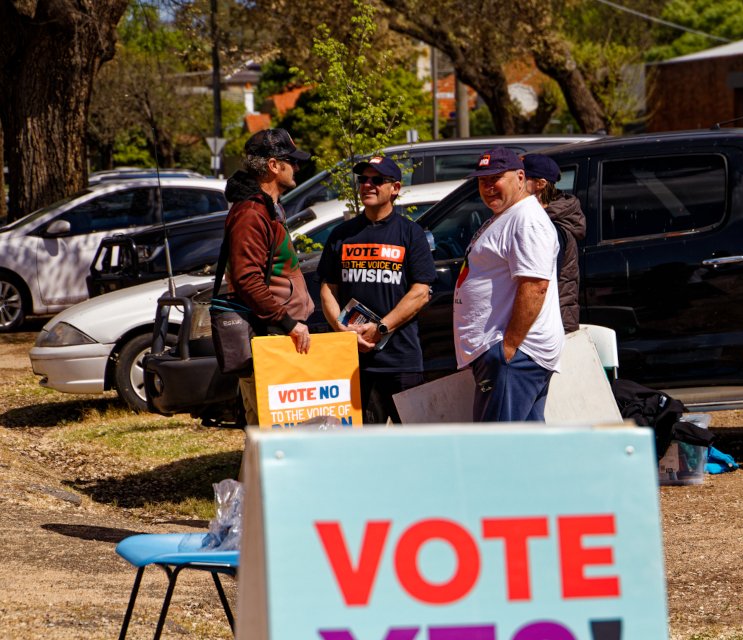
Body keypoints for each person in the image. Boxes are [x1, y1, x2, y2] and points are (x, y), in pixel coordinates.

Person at [317, 156, 437, 425]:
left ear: (394, 188)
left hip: (401, 359)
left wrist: (380, 328)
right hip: (353, 361)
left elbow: (420, 292)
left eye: (377, 180)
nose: (368, 185)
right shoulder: (341, 234)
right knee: (363, 444)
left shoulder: (411, 233)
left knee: (414, 443)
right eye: (363, 180)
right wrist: (342, 330)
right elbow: (328, 288)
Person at [453, 147, 564, 422]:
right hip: (511, 355)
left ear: (519, 177)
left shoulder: (526, 219)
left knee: (497, 449)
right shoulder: (510, 214)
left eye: (496, 178)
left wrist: (508, 349)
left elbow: (536, 285)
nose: (488, 187)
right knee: (524, 447)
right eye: (482, 180)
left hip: (515, 355)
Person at [223, 128, 315, 426]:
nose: (297, 167)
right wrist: (287, 323)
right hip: (268, 334)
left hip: (277, 333)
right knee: (266, 424)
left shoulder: (268, 206)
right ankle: (257, 475)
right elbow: (246, 278)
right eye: (292, 160)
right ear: (274, 166)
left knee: (274, 424)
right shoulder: (251, 212)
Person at [522, 153, 585, 333]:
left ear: (540, 184)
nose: (516, 184)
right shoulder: (541, 219)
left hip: (550, 325)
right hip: (550, 321)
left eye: (522, 178)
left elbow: (539, 286)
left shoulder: (550, 228)